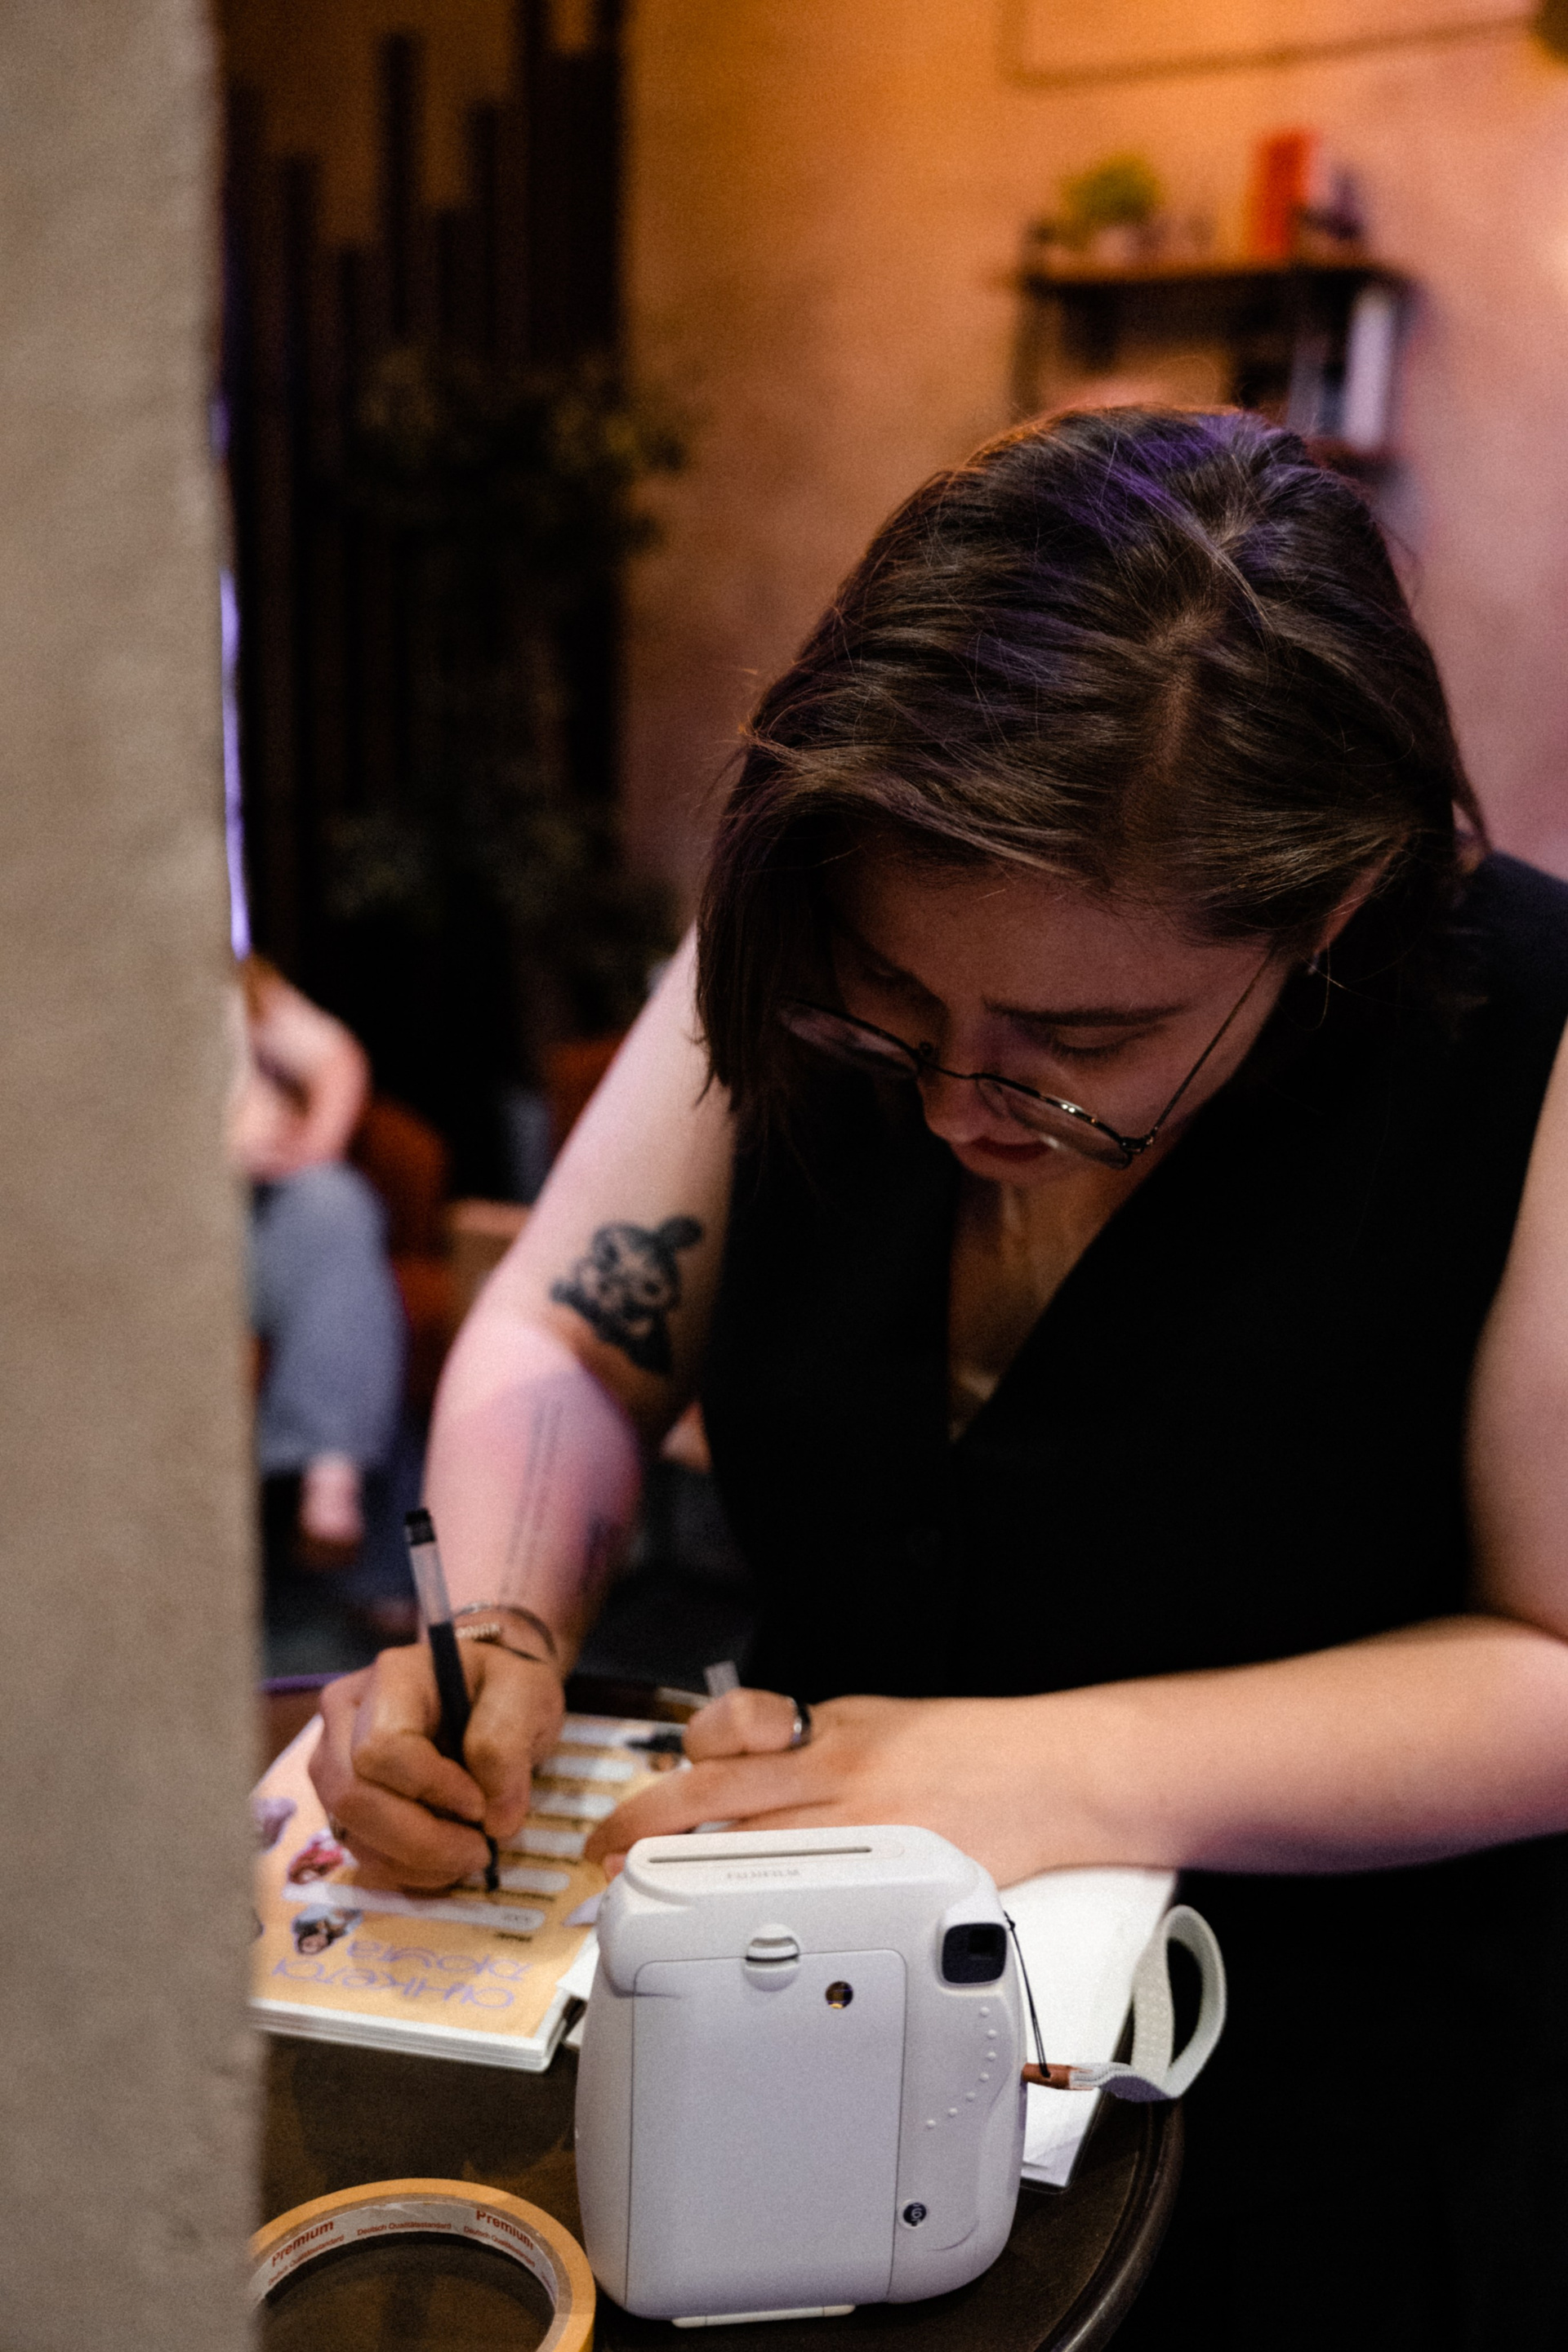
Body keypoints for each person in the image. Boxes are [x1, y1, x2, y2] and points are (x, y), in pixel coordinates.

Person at [310, 409, 1568, 2345]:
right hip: (786, 2025)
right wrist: (502, 1624)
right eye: (899, 1001)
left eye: (1084, 1037)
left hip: (1332, 2080)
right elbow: (571, 1332)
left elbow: (1551, 1657)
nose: (963, 1101)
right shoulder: (814, 941)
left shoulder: (1527, 1040)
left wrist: (1031, 1770)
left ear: (1329, 910)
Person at [230, 954, 406, 1561]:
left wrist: (317, 1147)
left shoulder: (236, 981)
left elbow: (337, 1057)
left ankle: (333, 1477)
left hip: (273, 1207)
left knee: (336, 1203)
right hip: (179, 1220)